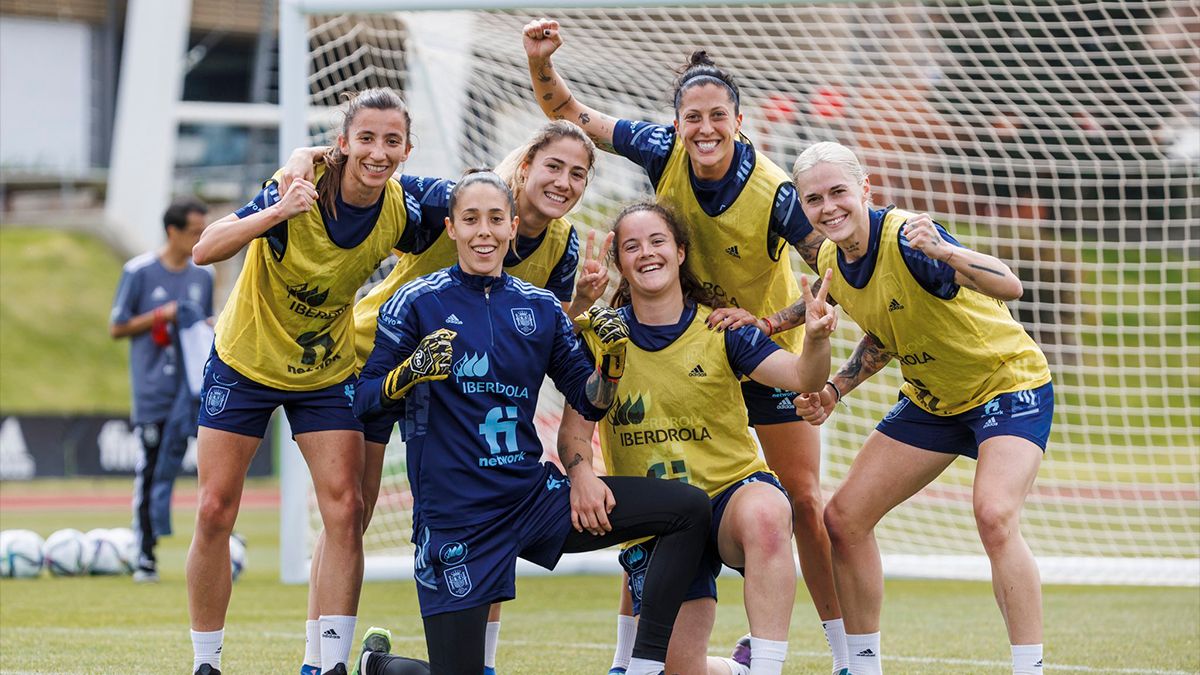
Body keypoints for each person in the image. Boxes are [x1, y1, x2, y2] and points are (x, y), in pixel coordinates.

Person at [521, 19, 850, 672]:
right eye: (691, 117)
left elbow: (836, 274)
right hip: (672, 331)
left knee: (797, 501)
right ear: (676, 124)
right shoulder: (658, 152)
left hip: (748, 341)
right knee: (646, 479)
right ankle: (631, 656)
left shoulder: (776, 194)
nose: (704, 128)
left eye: (716, 116)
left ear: (738, 118)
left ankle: (838, 656)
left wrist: (776, 322)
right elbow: (572, 113)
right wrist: (540, 63)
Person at [279, 120, 611, 675]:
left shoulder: (565, 246)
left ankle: (475, 664)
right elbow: (369, 178)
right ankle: (320, 662)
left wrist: (579, 309)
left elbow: (535, 336)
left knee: (494, 498)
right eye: (553, 166)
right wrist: (301, 155)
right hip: (372, 363)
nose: (563, 182)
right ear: (525, 166)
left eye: (577, 174)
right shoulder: (449, 199)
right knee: (348, 511)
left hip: (459, 393)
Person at [353, 171, 712, 675]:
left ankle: (645, 666)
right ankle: (381, 666)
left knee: (688, 509)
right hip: (457, 517)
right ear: (452, 228)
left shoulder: (540, 308)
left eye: (496, 219)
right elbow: (364, 402)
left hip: (532, 499)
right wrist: (408, 374)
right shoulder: (416, 302)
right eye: (471, 219)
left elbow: (588, 400)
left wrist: (609, 364)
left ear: (513, 226)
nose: (484, 231)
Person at [788, 141, 1053, 675]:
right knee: (843, 519)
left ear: (865, 190)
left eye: (839, 191)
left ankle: (1030, 669)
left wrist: (947, 250)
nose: (829, 207)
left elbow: (1011, 284)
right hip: (933, 400)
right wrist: (835, 389)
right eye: (814, 199)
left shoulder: (909, 239)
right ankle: (862, 668)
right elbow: (885, 332)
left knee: (994, 516)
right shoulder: (829, 260)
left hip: (1005, 383)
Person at [186, 87, 423, 675]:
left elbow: (470, 222)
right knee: (216, 509)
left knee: (347, 509)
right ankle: (206, 662)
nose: (378, 151)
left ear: (406, 150)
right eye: (365, 138)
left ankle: (329, 665)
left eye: (391, 140)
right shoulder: (295, 189)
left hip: (324, 371)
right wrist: (277, 211)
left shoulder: (400, 210)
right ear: (341, 144)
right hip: (245, 362)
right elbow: (203, 248)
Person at [557, 203, 835, 675]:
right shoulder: (601, 338)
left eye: (658, 241)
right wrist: (581, 472)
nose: (647, 253)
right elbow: (573, 433)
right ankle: (738, 668)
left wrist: (815, 338)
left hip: (730, 498)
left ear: (681, 252)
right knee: (680, 670)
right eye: (632, 246)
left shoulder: (721, 329)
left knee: (771, 513)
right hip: (662, 521)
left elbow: (801, 375)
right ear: (620, 264)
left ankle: (768, 668)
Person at [109, 197, 214, 584]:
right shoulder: (137, 271)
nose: (201, 238)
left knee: (211, 467)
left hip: (192, 391)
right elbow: (116, 327)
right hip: (153, 389)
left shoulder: (203, 275)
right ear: (172, 231)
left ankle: (220, 542)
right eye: (195, 231)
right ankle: (145, 554)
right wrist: (161, 314)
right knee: (151, 470)